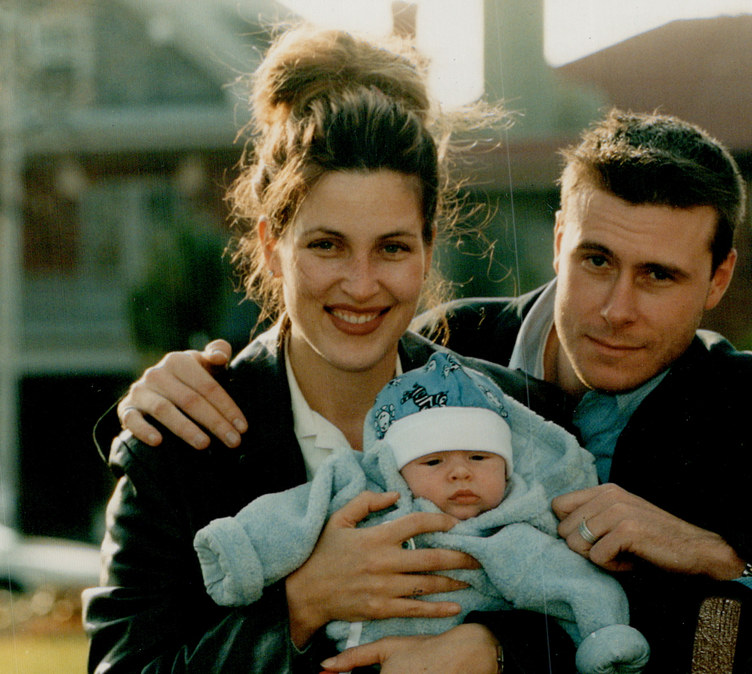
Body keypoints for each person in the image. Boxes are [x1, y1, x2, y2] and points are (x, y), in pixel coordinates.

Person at [108, 110, 752, 671]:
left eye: (660, 276)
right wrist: (302, 604)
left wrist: (721, 559)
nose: (616, 310)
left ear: (719, 281)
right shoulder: (468, 359)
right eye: (595, 261)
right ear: (559, 238)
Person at [82, 25, 585, 674]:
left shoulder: (521, 415)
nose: (361, 284)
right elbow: (125, 665)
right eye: (327, 245)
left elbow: (606, 618)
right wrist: (300, 605)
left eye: (393, 247)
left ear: (428, 247)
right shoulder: (181, 447)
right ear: (271, 245)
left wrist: (497, 653)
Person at [194, 351, 649, 673]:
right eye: (433, 462)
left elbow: (577, 586)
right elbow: (297, 513)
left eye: (479, 458)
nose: (459, 475)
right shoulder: (365, 493)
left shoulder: (513, 535)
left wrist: (604, 636)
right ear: (398, 467)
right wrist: (240, 551)